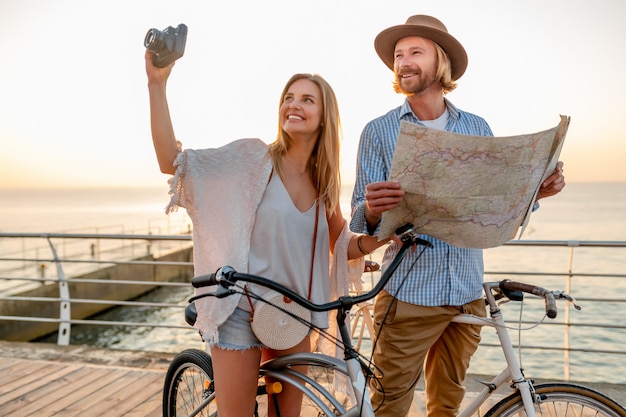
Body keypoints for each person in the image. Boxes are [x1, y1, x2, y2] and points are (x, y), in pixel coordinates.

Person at [145, 50, 390, 417]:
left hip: (294, 312)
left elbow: (345, 246)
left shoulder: (323, 184)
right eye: (288, 98)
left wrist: (387, 229)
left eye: (307, 99)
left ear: (325, 117)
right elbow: (171, 161)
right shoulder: (252, 159)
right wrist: (157, 84)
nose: (294, 105)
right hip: (240, 307)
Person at [349, 15, 566, 417]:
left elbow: (492, 204)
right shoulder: (378, 131)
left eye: (416, 52)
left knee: (446, 406)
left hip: (467, 293)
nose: (404, 62)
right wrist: (371, 208)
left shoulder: (476, 127)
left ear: (441, 62)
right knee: (388, 408)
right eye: (399, 55)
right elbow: (359, 222)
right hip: (408, 296)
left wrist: (538, 192)